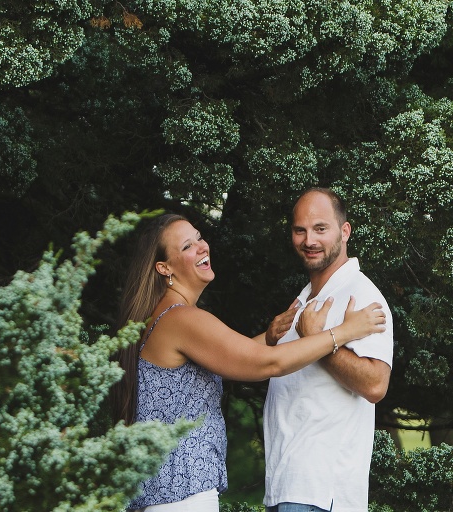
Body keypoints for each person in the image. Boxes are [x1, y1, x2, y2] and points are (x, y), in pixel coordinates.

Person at [110, 213, 387, 512]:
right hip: (182, 493)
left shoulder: (163, 316)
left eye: (199, 237)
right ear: (164, 268)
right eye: (188, 246)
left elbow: (232, 358)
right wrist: (343, 332)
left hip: (161, 494)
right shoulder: (181, 318)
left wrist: (269, 337)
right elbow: (267, 365)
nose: (202, 247)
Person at [262, 188, 394, 512]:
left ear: (344, 231)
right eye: (300, 230)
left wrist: (319, 342)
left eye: (321, 228)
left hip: (320, 491)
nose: (309, 240)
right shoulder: (305, 297)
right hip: (285, 482)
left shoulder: (361, 295)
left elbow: (376, 384)